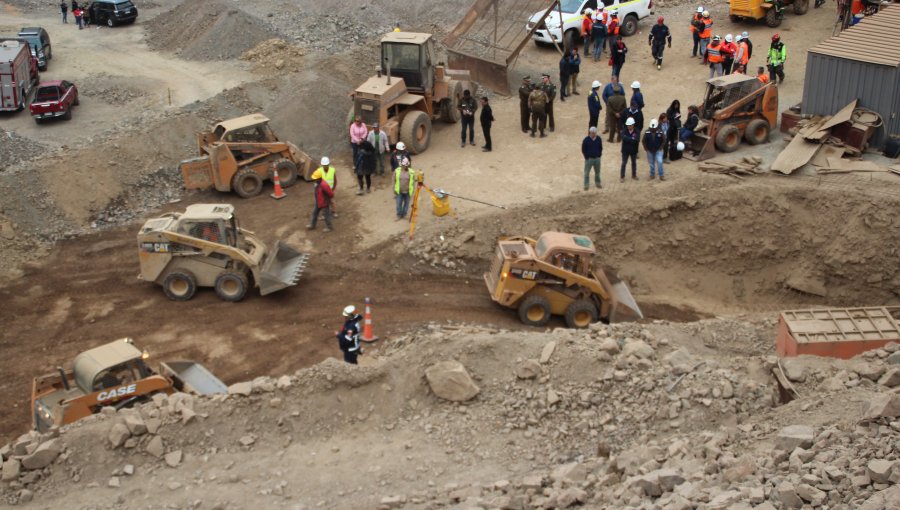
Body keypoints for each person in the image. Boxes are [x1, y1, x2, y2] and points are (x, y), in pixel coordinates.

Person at [620, 117, 639, 182]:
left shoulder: (637, 131)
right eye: (627, 125)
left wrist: (627, 138)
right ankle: (622, 176)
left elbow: (636, 140)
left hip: (633, 150)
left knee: (634, 163)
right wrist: (632, 139)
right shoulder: (624, 131)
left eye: (630, 125)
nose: (628, 126)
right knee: (624, 163)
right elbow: (623, 138)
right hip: (625, 151)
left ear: (633, 125)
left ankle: (634, 175)